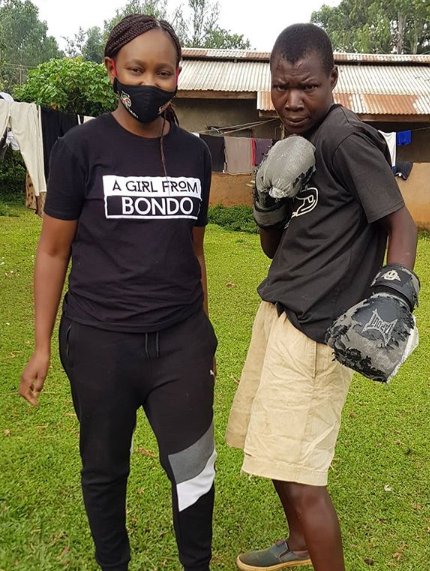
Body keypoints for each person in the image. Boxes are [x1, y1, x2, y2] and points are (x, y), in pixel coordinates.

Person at [19, 14, 217, 571]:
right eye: (136, 70)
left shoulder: (194, 155)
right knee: (105, 468)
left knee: (194, 467)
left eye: (162, 72)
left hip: (180, 341)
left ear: (177, 76)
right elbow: (53, 250)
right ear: (112, 70)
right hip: (100, 341)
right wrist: (40, 346)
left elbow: (194, 251)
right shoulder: (80, 148)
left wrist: (202, 331)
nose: (149, 84)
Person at [226, 23, 418, 571]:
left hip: (318, 330)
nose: (291, 100)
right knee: (272, 450)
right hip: (281, 312)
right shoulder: (296, 143)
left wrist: (394, 294)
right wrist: (267, 207)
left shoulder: (346, 138)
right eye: (280, 86)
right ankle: (299, 544)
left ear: (333, 78)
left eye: (306, 86)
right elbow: (274, 248)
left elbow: (400, 225)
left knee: (304, 473)